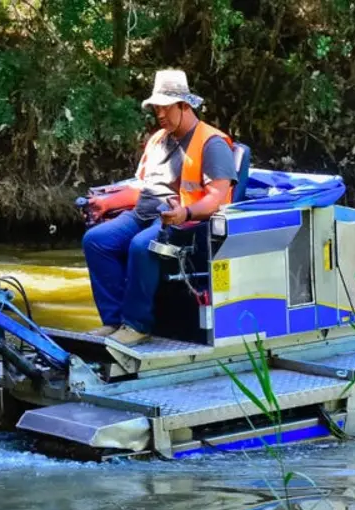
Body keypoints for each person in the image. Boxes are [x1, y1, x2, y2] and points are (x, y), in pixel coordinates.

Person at [81, 70, 238, 347]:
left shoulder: (212, 143)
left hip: (186, 222)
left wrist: (184, 213)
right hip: (143, 214)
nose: (160, 115)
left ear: (184, 105)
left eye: (165, 108)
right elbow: (143, 188)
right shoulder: (158, 140)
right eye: (156, 109)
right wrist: (106, 203)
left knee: (142, 245)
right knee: (96, 240)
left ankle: (136, 325)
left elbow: (216, 198)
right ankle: (113, 321)